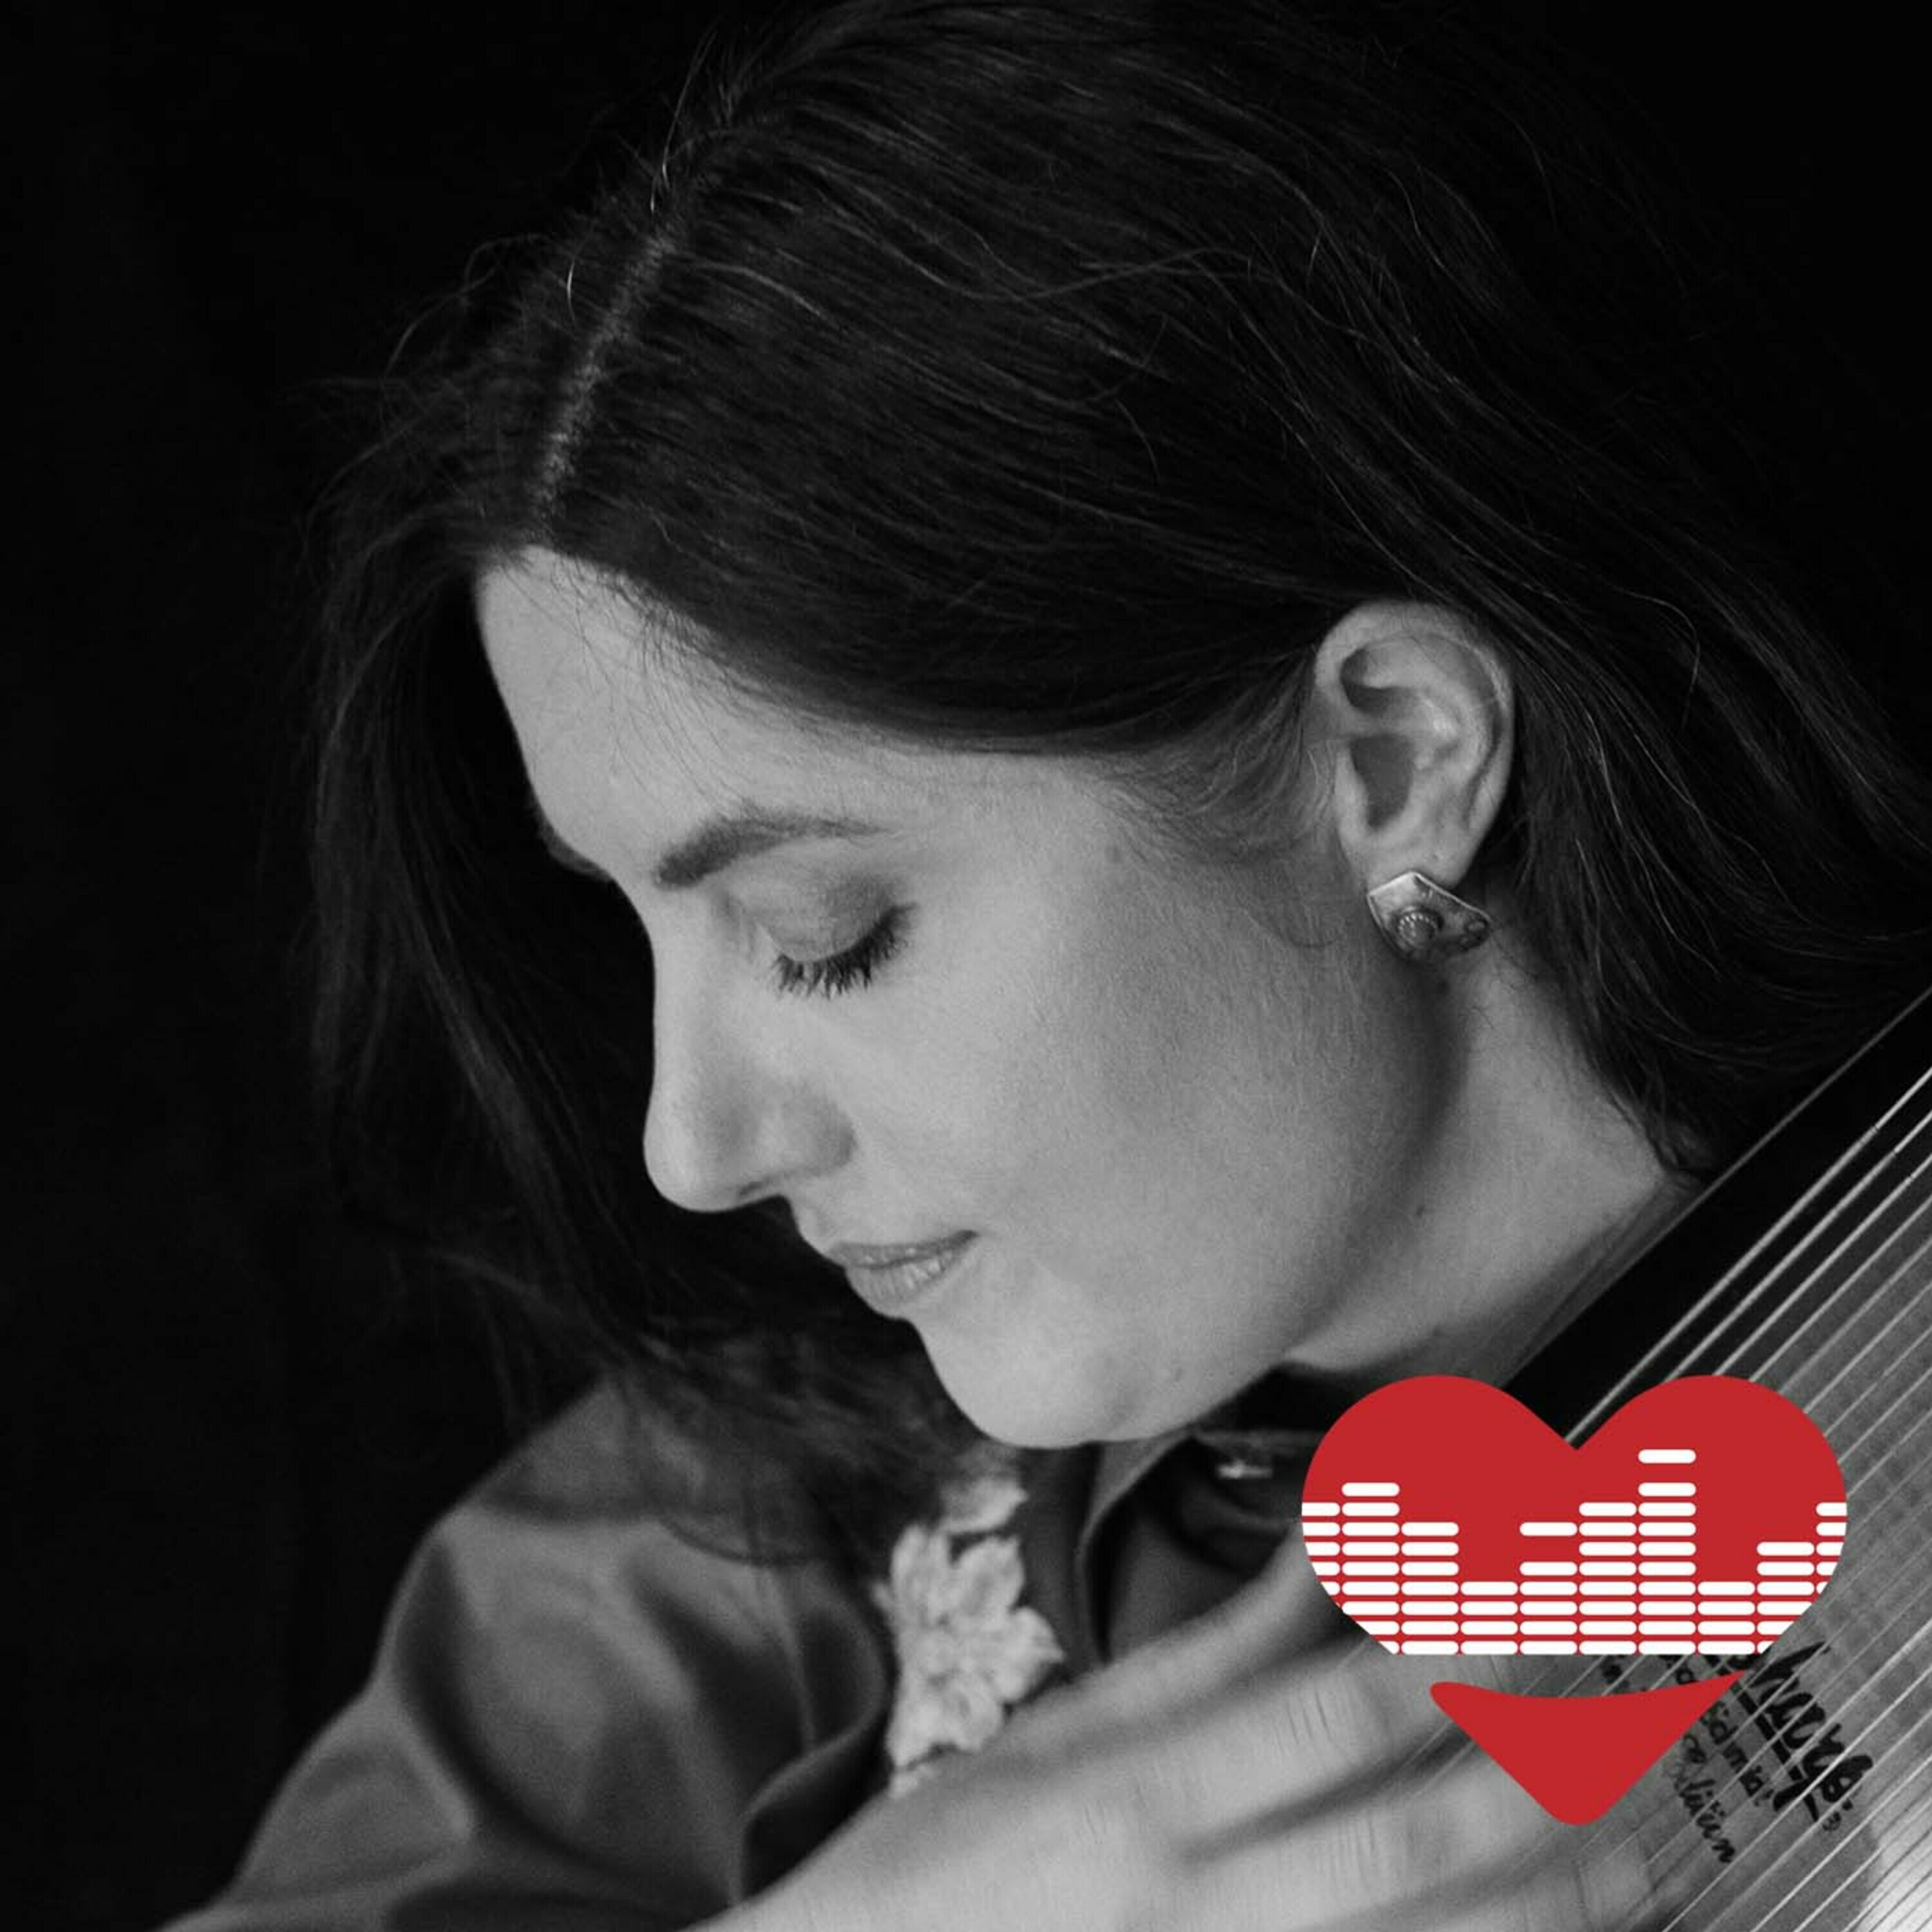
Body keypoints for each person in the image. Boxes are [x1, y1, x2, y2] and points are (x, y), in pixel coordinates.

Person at [166, 1, 1932, 1927]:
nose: (689, 1147)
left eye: (824, 935)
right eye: (627, 919)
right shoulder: (739, 1509)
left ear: (1393, 757)